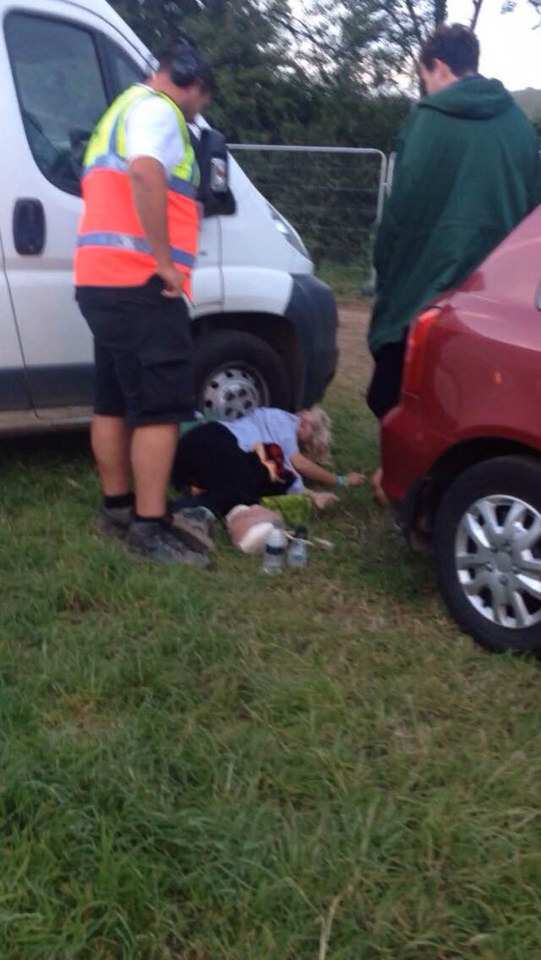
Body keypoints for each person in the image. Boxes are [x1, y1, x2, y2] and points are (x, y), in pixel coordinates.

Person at [74, 43, 215, 564]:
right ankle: (148, 531)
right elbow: (145, 173)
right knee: (160, 409)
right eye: (201, 100)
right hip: (142, 285)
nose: (198, 111)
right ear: (189, 80)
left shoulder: (119, 112)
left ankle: (116, 509)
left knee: (111, 399)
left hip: (99, 280)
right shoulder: (159, 111)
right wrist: (163, 261)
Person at [367, 23, 541, 424]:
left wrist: (386, 266)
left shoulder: (425, 123)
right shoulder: (517, 124)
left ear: (439, 67)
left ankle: (398, 474)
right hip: (496, 294)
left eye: (424, 77)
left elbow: (401, 211)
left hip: (423, 291)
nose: (425, 88)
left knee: (402, 392)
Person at [170, 406, 365, 521]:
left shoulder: (270, 442)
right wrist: (340, 481)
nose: (304, 421)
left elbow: (291, 468)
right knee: (243, 493)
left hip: (194, 463)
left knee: (248, 491)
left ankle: (196, 499)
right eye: (306, 417)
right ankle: (180, 511)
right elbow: (298, 465)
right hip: (212, 442)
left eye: (312, 427)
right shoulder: (284, 421)